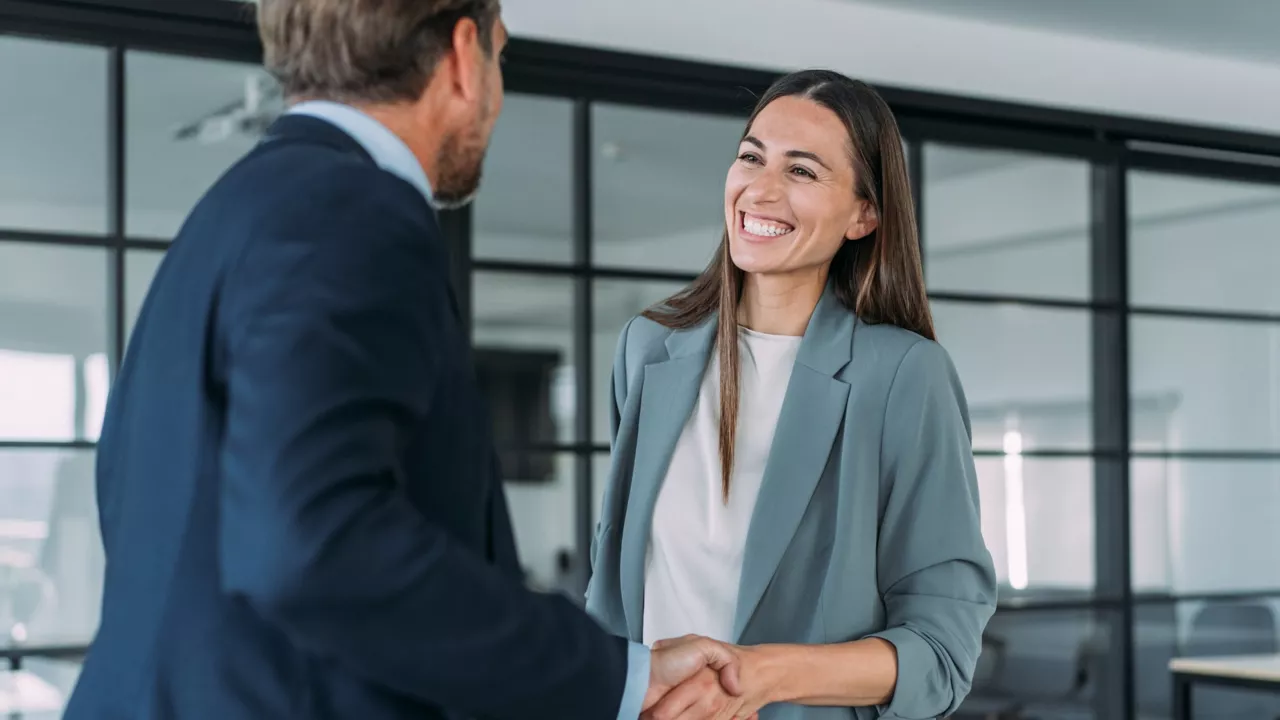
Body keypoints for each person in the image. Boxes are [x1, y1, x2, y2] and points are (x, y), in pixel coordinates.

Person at [63, 1, 743, 719]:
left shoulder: (229, 212)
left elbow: (149, 507)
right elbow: (310, 545)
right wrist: (610, 679)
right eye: (499, 55)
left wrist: (627, 670)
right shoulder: (354, 211)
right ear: (460, 57)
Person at [586, 70, 998, 719]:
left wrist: (764, 676)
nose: (762, 188)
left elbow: (940, 651)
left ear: (864, 214)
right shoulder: (648, 349)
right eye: (752, 156)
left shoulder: (902, 376)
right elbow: (610, 588)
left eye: (802, 172)